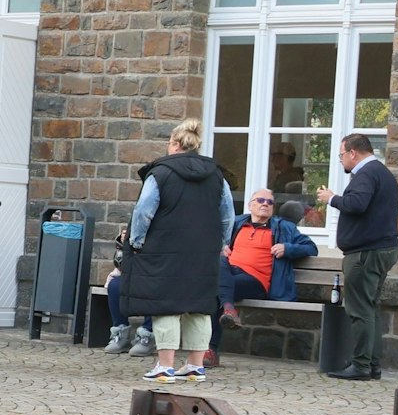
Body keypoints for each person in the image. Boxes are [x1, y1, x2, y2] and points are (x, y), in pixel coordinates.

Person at [122, 119, 234, 383]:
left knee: (166, 305)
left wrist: (136, 241)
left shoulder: (160, 173)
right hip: (204, 250)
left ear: (174, 144)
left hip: (164, 248)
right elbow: (227, 214)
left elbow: (143, 211)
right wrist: (222, 242)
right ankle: (195, 366)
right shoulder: (216, 174)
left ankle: (165, 366)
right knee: (200, 306)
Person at [318, 133, 398, 381]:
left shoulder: (366, 173)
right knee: (370, 307)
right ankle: (371, 364)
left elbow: (357, 204)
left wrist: (331, 198)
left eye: (341, 155)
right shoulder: (381, 172)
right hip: (380, 249)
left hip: (365, 253)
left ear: (353, 152)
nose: (341, 161)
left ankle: (361, 365)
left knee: (359, 308)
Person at [208, 187, 319, 366]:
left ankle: (211, 349)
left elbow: (311, 248)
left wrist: (288, 248)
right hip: (230, 273)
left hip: (256, 280)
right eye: (261, 201)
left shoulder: (283, 227)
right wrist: (221, 246)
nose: (265, 204)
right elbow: (210, 238)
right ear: (250, 205)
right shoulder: (236, 224)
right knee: (220, 262)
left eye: (269, 202)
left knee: (216, 290)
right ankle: (228, 309)